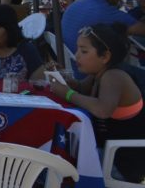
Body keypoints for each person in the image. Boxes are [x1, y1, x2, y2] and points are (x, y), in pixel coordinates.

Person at [49, 24, 145, 183]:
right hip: (107, 151)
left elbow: (102, 110)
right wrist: (62, 80)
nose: (77, 55)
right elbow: (81, 89)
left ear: (105, 57)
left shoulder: (114, 76)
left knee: (62, 165)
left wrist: (67, 93)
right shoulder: (99, 74)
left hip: (123, 162)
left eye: (84, 51)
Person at [61, 0, 145, 55]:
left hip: (69, 61)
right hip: (90, 67)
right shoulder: (109, 13)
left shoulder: (76, 4)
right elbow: (141, 30)